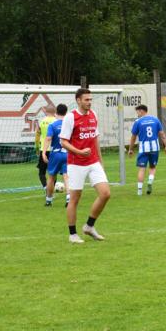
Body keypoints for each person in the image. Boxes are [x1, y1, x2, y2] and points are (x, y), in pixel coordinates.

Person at [59, 88, 110, 244]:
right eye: (86, 100)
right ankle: (73, 234)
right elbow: (63, 142)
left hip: (93, 161)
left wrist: (100, 161)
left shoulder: (93, 114)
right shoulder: (70, 117)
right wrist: (79, 152)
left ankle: (89, 226)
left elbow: (95, 138)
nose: (89, 102)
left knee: (105, 194)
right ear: (78, 100)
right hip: (76, 164)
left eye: (90, 99)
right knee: (75, 199)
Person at [127, 104, 166, 196]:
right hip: (155, 148)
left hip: (143, 149)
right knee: (152, 167)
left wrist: (130, 149)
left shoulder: (138, 122)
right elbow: (162, 134)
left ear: (141, 111)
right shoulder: (155, 120)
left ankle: (139, 191)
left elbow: (133, 137)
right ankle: (150, 181)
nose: (137, 114)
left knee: (142, 169)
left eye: (137, 112)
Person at [42, 103, 70, 207]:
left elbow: (48, 138)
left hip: (55, 154)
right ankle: (68, 198)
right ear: (66, 112)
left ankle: (48, 200)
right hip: (67, 153)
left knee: (51, 177)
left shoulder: (52, 125)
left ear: (56, 112)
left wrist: (44, 152)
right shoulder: (69, 125)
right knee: (66, 176)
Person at [35, 105, 57, 190]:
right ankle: (51, 189)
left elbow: (37, 137)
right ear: (55, 112)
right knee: (53, 172)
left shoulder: (42, 122)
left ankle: (45, 187)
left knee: (42, 172)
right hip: (54, 150)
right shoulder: (56, 121)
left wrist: (37, 148)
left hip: (43, 150)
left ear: (46, 112)